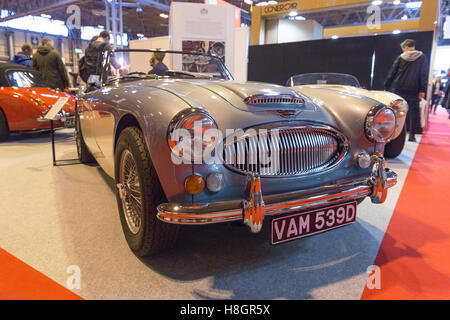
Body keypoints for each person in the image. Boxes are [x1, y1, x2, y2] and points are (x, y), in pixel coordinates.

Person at [385, 39, 428, 142]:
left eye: (403, 49)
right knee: (414, 113)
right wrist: (422, 89)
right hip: (414, 89)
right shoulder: (422, 57)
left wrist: (386, 87)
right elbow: (423, 74)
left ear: (406, 47)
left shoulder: (401, 58)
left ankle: (394, 135)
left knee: (396, 112)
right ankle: (412, 135)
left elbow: (392, 73)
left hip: (399, 88)